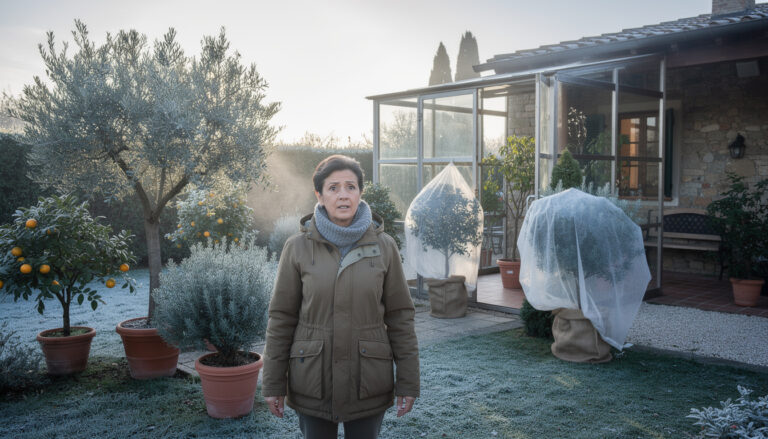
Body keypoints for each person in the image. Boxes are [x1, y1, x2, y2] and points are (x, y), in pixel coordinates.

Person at [262, 155, 420, 439]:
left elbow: (400, 317)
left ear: (360, 193)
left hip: (368, 381)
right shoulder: (296, 248)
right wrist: (273, 383)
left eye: (351, 187)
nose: (343, 195)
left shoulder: (385, 247)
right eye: (333, 188)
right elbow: (281, 318)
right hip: (312, 381)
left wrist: (408, 382)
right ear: (319, 196)